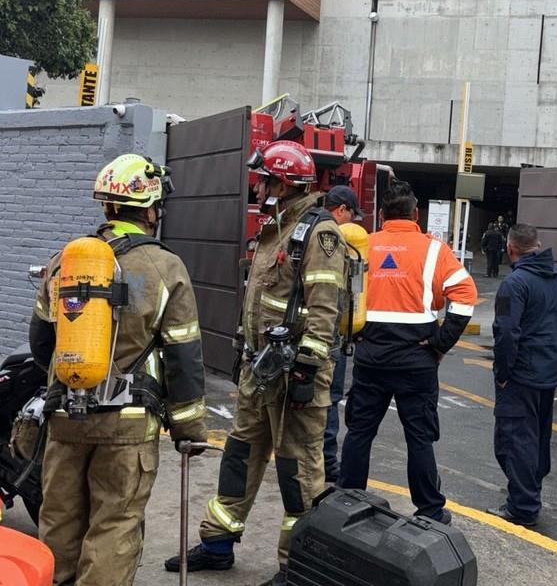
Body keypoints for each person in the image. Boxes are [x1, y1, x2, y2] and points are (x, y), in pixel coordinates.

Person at [168, 140, 346, 586]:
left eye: (266, 179)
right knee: (240, 454)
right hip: (261, 370)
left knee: (298, 469)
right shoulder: (276, 228)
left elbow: (325, 309)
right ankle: (216, 543)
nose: (260, 186)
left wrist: (307, 368)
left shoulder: (319, 233)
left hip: (294, 376)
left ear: (284, 183)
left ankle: (297, 566)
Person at [30, 154, 207, 586]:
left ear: (107, 206)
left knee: (59, 522)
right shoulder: (166, 267)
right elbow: (183, 356)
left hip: (66, 415)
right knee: (114, 526)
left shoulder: (66, 261)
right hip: (128, 427)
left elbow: (40, 342)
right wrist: (189, 430)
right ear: (150, 209)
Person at [337, 181, 477, 524]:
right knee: (419, 437)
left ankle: (347, 499)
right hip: (417, 360)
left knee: (359, 432)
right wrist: (441, 343)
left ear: (382, 216)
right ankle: (429, 509)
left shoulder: (365, 246)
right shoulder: (434, 250)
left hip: (371, 357)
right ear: (416, 215)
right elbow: (465, 297)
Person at [486, 224, 557, 527]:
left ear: (510, 249)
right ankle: (530, 495)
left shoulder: (514, 284)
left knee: (514, 440)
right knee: (537, 439)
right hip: (548, 372)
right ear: (538, 245)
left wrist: (503, 372)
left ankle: (522, 506)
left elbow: (506, 331)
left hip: (520, 375)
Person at [322, 184, 365, 483]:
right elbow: (355, 290)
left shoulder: (303, 226)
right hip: (332, 331)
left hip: (300, 330)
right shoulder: (342, 239)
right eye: (352, 214)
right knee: (329, 398)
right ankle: (326, 462)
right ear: (342, 210)